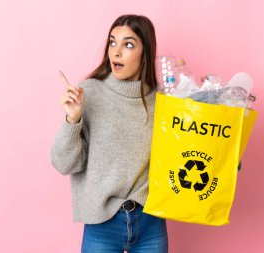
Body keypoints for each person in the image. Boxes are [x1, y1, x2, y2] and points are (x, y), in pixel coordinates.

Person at [51, 14, 168, 253]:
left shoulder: (162, 102)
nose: (116, 51)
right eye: (113, 42)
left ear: (145, 53)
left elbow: (181, 155)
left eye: (128, 44)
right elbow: (64, 164)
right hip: (101, 224)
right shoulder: (89, 93)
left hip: (150, 222)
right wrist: (72, 119)